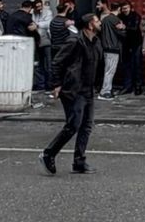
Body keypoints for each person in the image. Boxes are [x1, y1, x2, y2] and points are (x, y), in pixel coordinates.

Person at [40, 13, 103, 175]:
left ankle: (79, 162)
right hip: (74, 89)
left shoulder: (96, 41)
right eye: (97, 21)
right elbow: (57, 62)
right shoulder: (75, 41)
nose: (100, 23)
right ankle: (48, 154)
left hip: (88, 89)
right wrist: (56, 84)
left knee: (86, 126)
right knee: (73, 125)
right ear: (90, 25)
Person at [96, 2, 125, 100]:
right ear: (119, 9)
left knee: (108, 70)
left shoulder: (104, 19)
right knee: (110, 71)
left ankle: (107, 89)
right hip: (113, 47)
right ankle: (105, 91)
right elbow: (122, 33)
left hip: (106, 47)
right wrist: (124, 27)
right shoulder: (116, 20)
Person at [33, 0, 55, 93]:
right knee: (38, 64)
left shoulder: (47, 12)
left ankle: (49, 85)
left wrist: (37, 25)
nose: (39, 8)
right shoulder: (33, 13)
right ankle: (40, 84)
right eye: (37, 7)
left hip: (46, 41)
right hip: (37, 41)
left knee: (48, 64)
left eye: (40, 6)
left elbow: (48, 24)